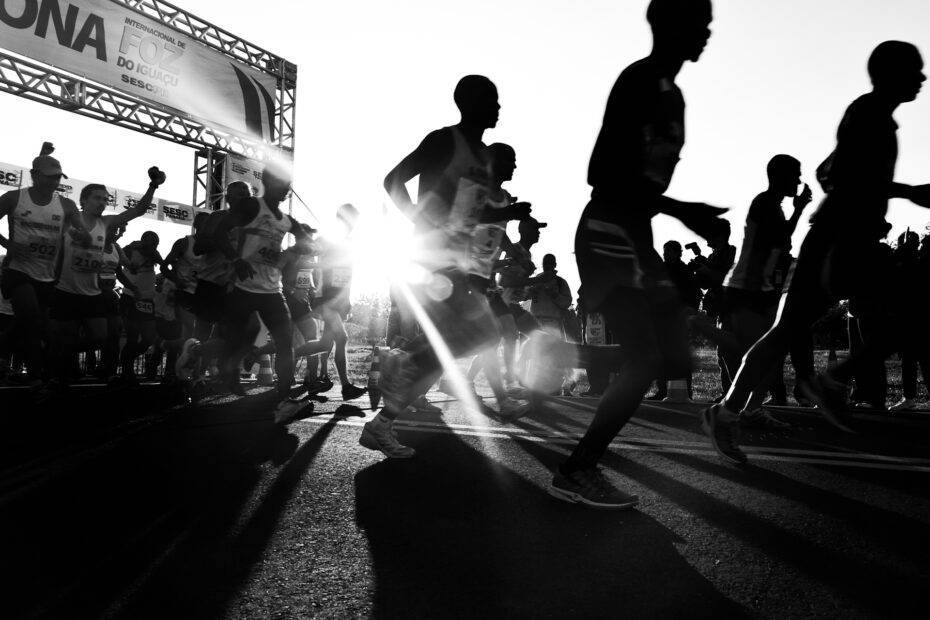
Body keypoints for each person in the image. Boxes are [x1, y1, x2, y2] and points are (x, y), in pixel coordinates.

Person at [704, 40, 930, 463]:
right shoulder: (870, 116)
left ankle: (726, 411)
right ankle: (834, 380)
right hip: (842, 240)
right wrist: (907, 192)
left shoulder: (869, 116)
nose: (922, 77)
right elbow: (844, 178)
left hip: (829, 236)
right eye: (914, 69)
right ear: (889, 73)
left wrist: (876, 199)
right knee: (909, 314)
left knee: (784, 332)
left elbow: (829, 172)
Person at [551, 0, 727, 508]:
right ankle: (576, 470)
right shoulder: (638, 82)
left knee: (672, 356)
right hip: (606, 233)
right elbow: (600, 174)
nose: (708, 31)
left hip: (637, 238)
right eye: (700, 21)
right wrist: (683, 209)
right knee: (647, 358)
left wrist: (673, 212)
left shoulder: (675, 98)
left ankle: (563, 356)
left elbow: (645, 184)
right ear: (669, 25)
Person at [372, 75, 531, 457]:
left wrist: (505, 212)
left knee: (461, 341)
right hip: (433, 257)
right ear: (470, 102)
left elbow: (469, 213)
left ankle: (386, 408)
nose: (498, 107)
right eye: (492, 100)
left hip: (456, 261)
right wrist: (418, 221)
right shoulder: (446, 141)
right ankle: (400, 363)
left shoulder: (480, 156)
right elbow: (393, 180)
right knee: (483, 333)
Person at [714, 155, 813, 426]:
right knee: (759, 353)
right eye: (796, 175)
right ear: (780, 176)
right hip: (748, 287)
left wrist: (798, 210)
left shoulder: (773, 206)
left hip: (762, 288)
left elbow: (783, 240)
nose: (799, 180)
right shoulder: (765, 203)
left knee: (769, 353)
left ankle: (749, 408)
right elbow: (781, 240)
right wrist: (799, 211)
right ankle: (702, 327)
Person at [212, 162, 315, 419]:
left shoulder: (286, 220)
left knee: (285, 341)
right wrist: (236, 260)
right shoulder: (251, 206)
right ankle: (211, 360)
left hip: (272, 290)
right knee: (238, 338)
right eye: (283, 183)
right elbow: (218, 232)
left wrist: (298, 247)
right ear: (268, 182)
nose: (287, 189)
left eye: (289, 185)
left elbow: (308, 244)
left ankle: (284, 398)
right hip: (243, 287)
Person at [48, 167, 166, 392]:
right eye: (97, 198)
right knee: (66, 338)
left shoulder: (106, 223)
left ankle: (60, 361)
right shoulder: (68, 221)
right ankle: (58, 379)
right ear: (84, 200)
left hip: (92, 293)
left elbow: (139, 209)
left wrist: (153, 186)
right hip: (65, 290)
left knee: (100, 337)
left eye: (105, 199)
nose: (102, 202)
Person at [0, 143, 91, 387]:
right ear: (35, 176)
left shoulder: (67, 205)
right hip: (17, 270)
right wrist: (7, 243)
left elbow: (84, 234)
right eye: (50, 177)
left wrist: (82, 235)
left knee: (36, 327)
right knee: (30, 318)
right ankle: (37, 375)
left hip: (48, 276)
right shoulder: (13, 198)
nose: (54, 182)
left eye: (58, 178)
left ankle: (18, 361)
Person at [118, 230, 164, 385]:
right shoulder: (130, 249)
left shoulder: (154, 254)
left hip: (147, 299)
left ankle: (127, 359)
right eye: (149, 241)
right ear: (142, 240)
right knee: (132, 337)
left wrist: (151, 250)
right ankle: (127, 370)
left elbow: (161, 262)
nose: (151, 245)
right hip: (130, 296)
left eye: (155, 243)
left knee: (149, 337)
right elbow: (120, 263)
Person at [527, 254, 572, 337]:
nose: (547, 266)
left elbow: (567, 303)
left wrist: (555, 295)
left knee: (554, 349)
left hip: (553, 324)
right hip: (536, 322)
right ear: (542, 264)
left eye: (550, 263)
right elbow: (525, 295)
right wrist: (533, 289)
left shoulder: (560, 282)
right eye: (545, 263)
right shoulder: (536, 279)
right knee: (536, 350)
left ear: (555, 265)